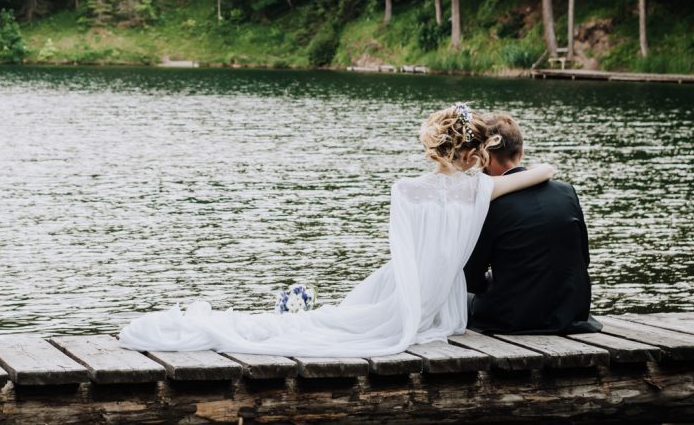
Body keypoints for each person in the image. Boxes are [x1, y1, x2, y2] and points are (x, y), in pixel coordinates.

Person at [118, 103, 556, 357]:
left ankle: (291, 312)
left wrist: (407, 299)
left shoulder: (405, 190)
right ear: (475, 151)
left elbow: (402, 255)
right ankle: (297, 313)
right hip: (443, 302)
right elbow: (543, 171)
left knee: (340, 316)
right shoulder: (481, 190)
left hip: (404, 286)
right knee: (341, 322)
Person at [464, 112, 601, 334]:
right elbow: (583, 258)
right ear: (521, 151)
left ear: (484, 158)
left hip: (514, 316)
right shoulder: (567, 192)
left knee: (458, 297)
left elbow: (471, 279)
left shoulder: (490, 203)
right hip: (568, 312)